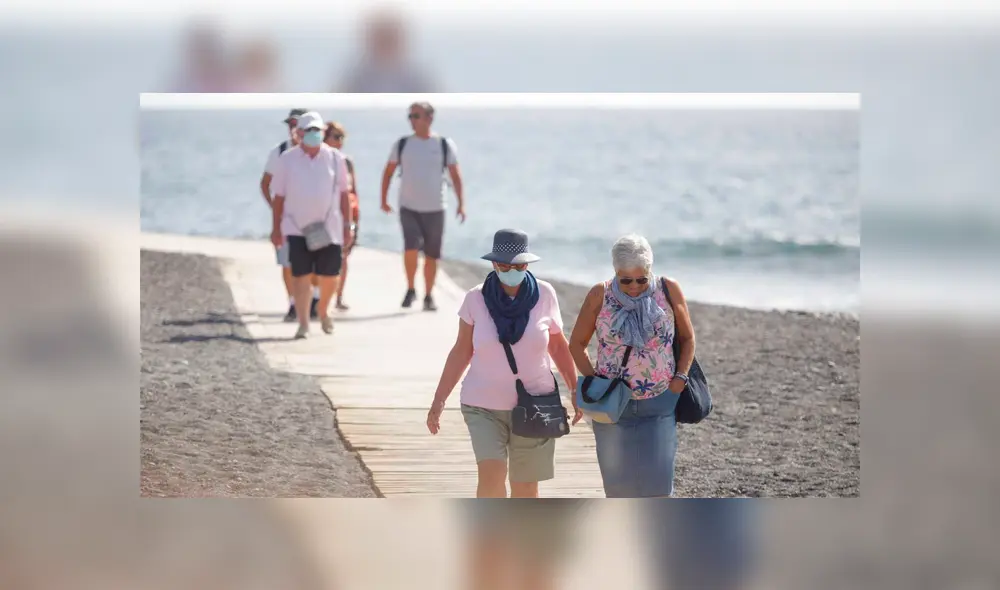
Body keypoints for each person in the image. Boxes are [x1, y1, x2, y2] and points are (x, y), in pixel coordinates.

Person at [426, 229, 580, 498]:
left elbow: (557, 345)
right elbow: (462, 350)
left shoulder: (545, 295)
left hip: (536, 405)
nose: (511, 270)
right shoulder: (475, 298)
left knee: (525, 487)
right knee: (491, 477)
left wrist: (576, 389)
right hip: (483, 405)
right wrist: (439, 400)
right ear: (494, 264)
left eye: (518, 265)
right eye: (504, 265)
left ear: (527, 264)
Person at [568, 234, 696, 497]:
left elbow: (687, 337)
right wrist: (595, 382)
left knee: (660, 487)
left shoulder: (668, 289)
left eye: (641, 279)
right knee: (618, 490)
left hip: (661, 400)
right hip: (612, 407)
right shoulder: (599, 294)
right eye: (626, 280)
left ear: (650, 270)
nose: (635, 286)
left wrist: (680, 379)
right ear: (615, 272)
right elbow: (576, 344)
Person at [269, 112, 353, 339]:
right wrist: (276, 228)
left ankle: (323, 309)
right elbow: (279, 197)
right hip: (296, 227)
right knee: (301, 275)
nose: (314, 135)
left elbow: (345, 194)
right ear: (299, 134)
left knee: (329, 276)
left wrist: (348, 226)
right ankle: (304, 323)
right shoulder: (287, 159)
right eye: (309, 131)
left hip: (329, 228)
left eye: (317, 131)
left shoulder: (336, 159)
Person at [380, 102, 465, 312]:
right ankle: (410, 289)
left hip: (436, 207)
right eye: (410, 116)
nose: (412, 120)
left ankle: (428, 294)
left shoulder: (444, 145)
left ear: (429, 118)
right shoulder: (402, 144)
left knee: (431, 255)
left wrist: (461, 204)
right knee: (410, 248)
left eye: (416, 115)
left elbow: (455, 175)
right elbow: (389, 171)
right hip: (408, 206)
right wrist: (383, 198)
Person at [261, 108, 322, 322]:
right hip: (288, 220)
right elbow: (266, 183)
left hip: (316, 218)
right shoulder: (279, 153)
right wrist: (275, 209)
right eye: (290, 125)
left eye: (297, 124)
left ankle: (315, 298)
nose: (293, 129)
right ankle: (294, 303)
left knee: (316, 262)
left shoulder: (322, 153)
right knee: (287, 263)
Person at [324, 122, 359, 311]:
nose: (339, 141)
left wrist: (353, 219)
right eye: (335, 137)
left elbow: (354, 192)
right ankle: (322, 297)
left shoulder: (347, 162)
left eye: (341, 137)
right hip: (325, 216)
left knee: (343, 258)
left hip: (346, 214)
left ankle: (338, 296)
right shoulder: (321, 160)